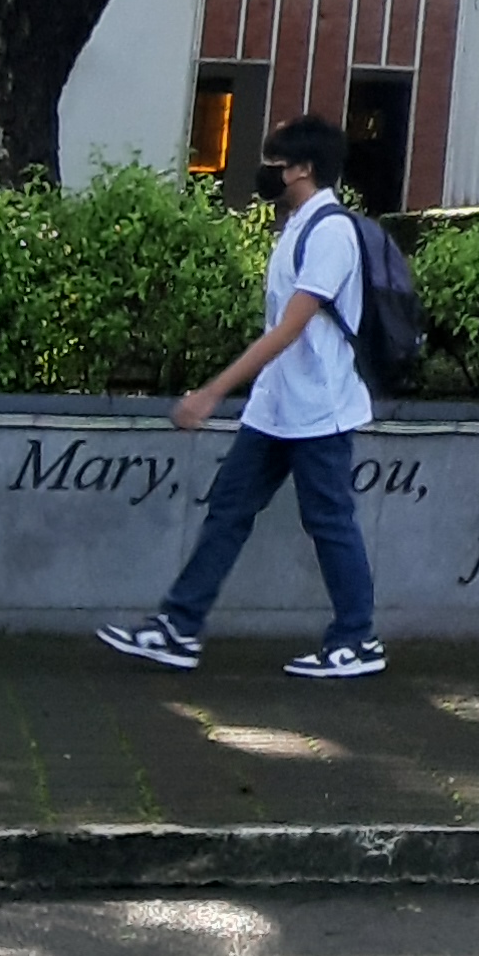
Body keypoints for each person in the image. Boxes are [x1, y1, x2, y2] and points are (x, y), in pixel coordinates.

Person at [101, 120, 390, 680]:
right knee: (229, 510)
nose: (268, 171)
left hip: (319, 410)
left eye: (274, 162)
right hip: (277, 408)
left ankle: (357, 638)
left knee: (330, 521)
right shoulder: (298, 226)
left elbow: (289, 330)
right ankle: (179, 628)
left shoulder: (330, 234)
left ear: (302, 168)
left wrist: (211, 392)